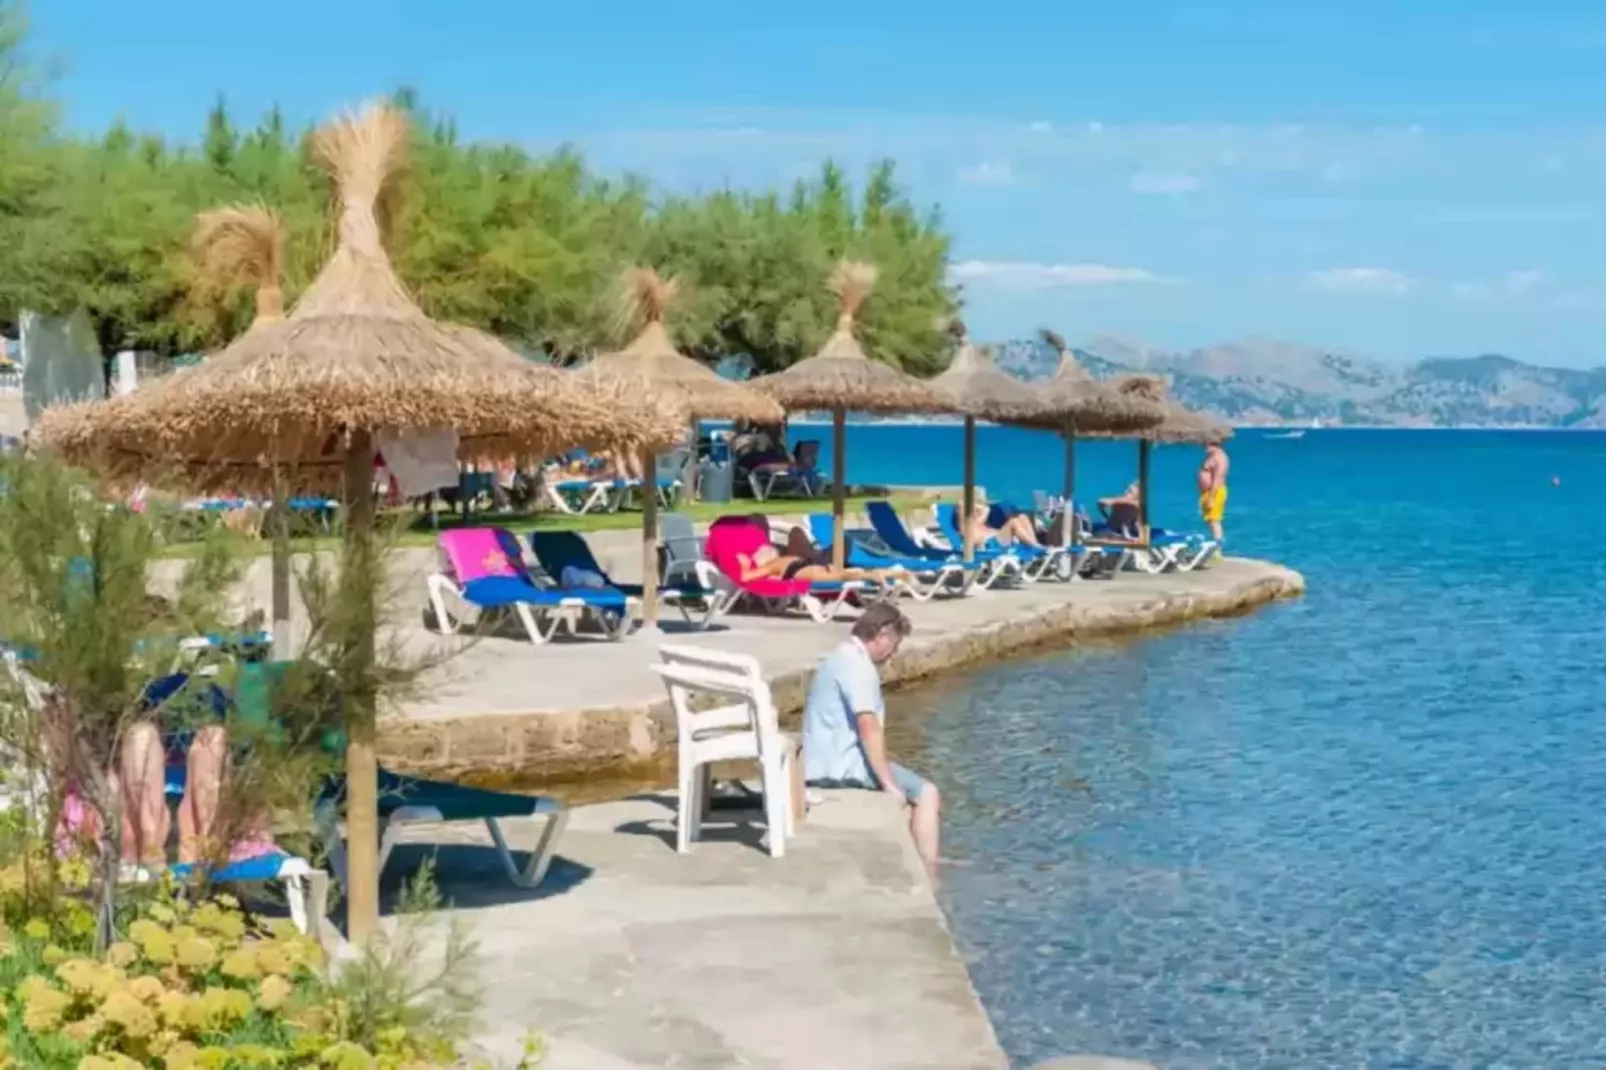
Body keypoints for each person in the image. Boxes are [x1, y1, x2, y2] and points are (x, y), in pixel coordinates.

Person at [801, 603, 941, 877]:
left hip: (820, 760)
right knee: (927, 793)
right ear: (882, 637)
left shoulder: (838, 656)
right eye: (895, 645)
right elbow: (869, 728)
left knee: (910, 798)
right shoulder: (859, 667)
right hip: (841, 767)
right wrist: (889, 784)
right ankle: (930, 871)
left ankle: (918, 861)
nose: (893, 654)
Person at [964, 501, 1041, 550]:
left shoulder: (982, 524)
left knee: (1022, 517)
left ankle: (1035, 544)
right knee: (1013, 522)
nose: (977, 513)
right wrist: (984, 510)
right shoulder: (970, 527)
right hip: (990, 545)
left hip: (995, 539)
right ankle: (1035, 547)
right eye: (976, 511)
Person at [1198, 438, 1230, 546]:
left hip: (1215, 492)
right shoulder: (1213, 457)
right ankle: (1216, 546)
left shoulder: (1220, 458)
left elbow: (1218, 478)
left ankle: (1218, 548)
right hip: (1208, 493)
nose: (1204, 447)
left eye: (1206, 445)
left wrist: (1211, 497)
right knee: (1210, 521)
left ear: (1215, 445)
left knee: (1214, 521)